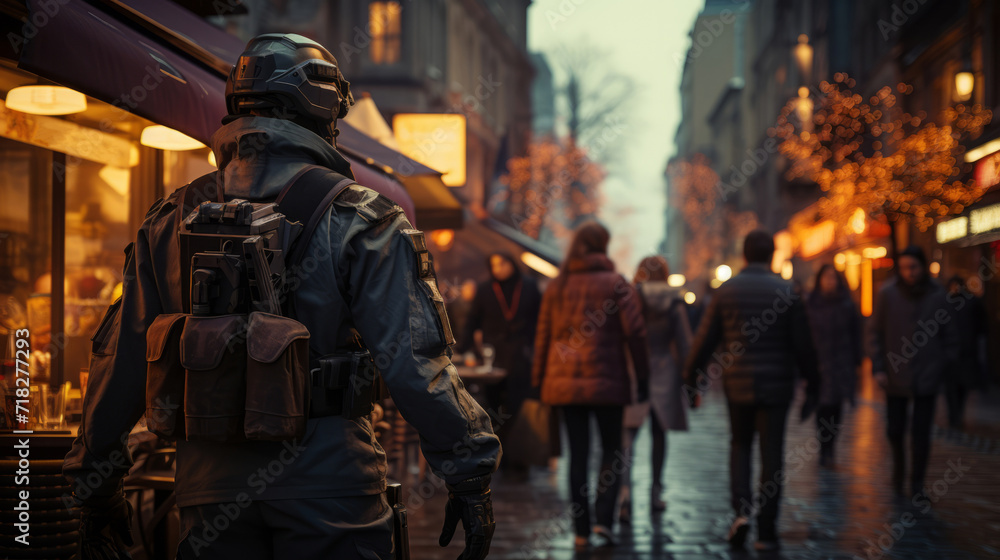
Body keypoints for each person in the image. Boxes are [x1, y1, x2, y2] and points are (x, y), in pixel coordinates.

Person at [63, 34, 499, 560]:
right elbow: (416, 364)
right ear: (321, 107)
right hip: (333, 490)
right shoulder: (364, 218)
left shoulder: (169, 218)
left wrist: (94, 485)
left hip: (208, 493)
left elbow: (121, 360)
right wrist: (469, 476)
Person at [684, 230, 818, 552]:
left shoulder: (726, 292)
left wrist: (692, 380)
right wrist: (814, 385)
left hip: (738, 383)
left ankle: (742, 513)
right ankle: (767, 531)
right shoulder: (788, 291)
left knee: (740, 445)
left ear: (744, 256)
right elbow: (804, 346)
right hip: (777, 386)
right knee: (772, 453)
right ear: (772, 255)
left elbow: (704, 341)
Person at [532, 222, 650, 549]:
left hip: (565, 383)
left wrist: (538, 380)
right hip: (609, 381)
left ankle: (581, 529)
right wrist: (642, 376)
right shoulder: (617, 284)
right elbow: (636, 333)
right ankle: (604, 520)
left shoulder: (557, 286)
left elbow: (542, 336)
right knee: (612, 451)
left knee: (578, 455)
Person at [868, 245, 958, 499]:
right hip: (895, 373)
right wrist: (878, 366)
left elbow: (950, 335)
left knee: (921, 432)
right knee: (895, 430)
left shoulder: (938, 295)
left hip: (927, 374)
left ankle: (917, 483)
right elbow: (875, 333)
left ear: (922, 266)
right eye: (905, 267)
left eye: (914, 267)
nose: (909, 272)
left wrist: (943, 364)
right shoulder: (887, 294)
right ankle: (899, 473)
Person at [619, 255, 692, 523]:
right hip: (665, 372)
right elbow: (685, 344)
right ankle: (655, 493)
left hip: (633, 371)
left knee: (627, 437)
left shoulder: (629, 300)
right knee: (659, 435)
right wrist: (692, 381)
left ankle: (624, 492)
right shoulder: (674, 301)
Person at [456, 253, 542, 477]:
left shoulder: (529, 286)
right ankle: (496, 454)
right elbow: (472, 320)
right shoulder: (485, 289)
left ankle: (516, 457)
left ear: (512, 263)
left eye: (501, 263)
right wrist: (463, 349)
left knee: (516, 407)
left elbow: (540, 319)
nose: (497, 268)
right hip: (492, 356)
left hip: (521, 356)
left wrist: (537, 350)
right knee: (492, 407)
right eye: (493, 264)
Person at [805, 264, 862, 467]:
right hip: (819, 364)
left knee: (835, 408)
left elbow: (856, 334)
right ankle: (823, 447)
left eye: (833, 277)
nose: (830, 281)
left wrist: (857, 361)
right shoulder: (811, 303)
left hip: (840, 364)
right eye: (826, 277)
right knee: (822, 407)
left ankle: (830, 448)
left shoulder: (847, 305)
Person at [944, 275, 988, 430]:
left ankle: (956, 415)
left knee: (959, 386)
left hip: (964, 351)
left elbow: (981, 325)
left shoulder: (968, 303)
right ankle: (954, 415)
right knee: (953, 387)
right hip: (955, 352)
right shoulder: (946, 303)